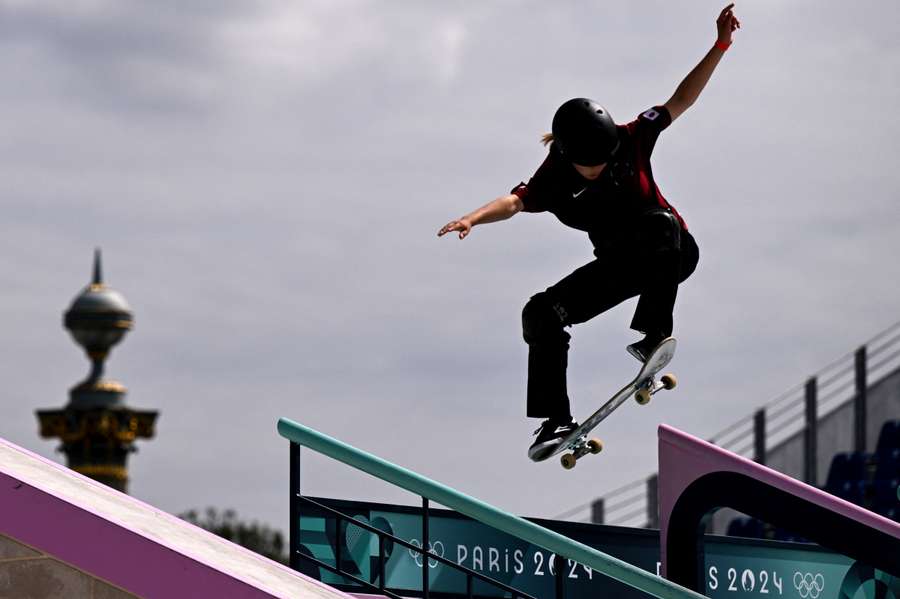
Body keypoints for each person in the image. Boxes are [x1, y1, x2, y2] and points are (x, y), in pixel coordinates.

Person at [438, 5, 740, 457]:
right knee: (541, 313)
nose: (600, 168)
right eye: (590, 163)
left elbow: (682, 98)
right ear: (567, 153)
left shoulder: (632, 136)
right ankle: (555, 422)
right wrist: (471, 219)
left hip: (671, 252)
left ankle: (654, 333)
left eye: (605, 158)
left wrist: (719, 46)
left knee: (660, 223)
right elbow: (515, 202)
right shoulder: (555, 176)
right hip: (618, 267)